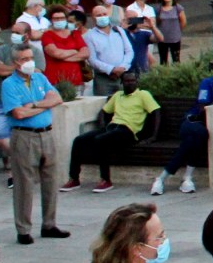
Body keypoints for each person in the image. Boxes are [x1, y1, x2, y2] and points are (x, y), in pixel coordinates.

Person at [0, 51, 67, 246]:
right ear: (15, 62)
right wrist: (44, 105)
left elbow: (56, 98)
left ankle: (49, 224)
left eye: (30, 58)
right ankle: (23, 228)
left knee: (51, 179)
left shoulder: (39, 77)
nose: (28, 62)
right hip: (24, 135)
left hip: (47, 132)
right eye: (23, 59)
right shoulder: (9, 84)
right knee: (24, 184)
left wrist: (36, 105)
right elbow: (18, 113)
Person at [65, 68, 160, 196]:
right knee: (79, 140)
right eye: (127, 81)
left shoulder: (143, 95)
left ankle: (106, 180)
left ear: (137, 82)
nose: (130, 83)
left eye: (133, 80)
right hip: (112, 128)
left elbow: (156, 112)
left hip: (129, 131)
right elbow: (103, 112)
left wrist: (153, 136)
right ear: (122, 82)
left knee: (101, 140)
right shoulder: (118, 95)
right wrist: (103, 126)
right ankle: (74, 178)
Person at [152, 67, 213, 196]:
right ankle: (187, 177)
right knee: (199, 134)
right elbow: (202, 109)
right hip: (192, 121)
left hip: (203, 131)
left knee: (195, 138)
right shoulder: (208, 83)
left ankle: (163, 177)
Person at [82, 6, 135, 97]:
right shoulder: (89, 36)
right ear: (93, 19)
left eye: (104, 14)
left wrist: (122, 67)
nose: (102, 17)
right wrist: (111, 69)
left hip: (122, 76)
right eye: (99, 15)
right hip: (103, 79)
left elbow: (129, 51)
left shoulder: (119, 31)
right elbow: (92, 60)